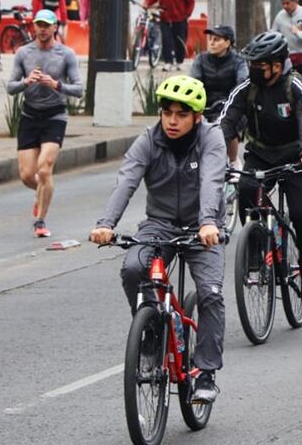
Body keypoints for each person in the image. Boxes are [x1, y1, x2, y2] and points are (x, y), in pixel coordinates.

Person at [89, 76, 226, 404]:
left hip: (201, 228)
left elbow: (212, 180)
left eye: (181, 114)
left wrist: (208, 222)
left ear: (197, 116)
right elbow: (127, 180)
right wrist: (106, 224)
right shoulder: (148, 140)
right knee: (134, 267)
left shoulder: (211, 139)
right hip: (159, 224)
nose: (172, 121)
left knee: (210, 293)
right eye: (167, 113)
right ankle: (150, 335)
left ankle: (205, 372)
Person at [217, 32, 302, 302]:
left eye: (260, 65)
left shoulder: (295, 86)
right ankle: (254, 247)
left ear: (277, 65)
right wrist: (212, 154)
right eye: (252, 64)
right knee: (247, 191)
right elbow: (225, 122)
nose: (254, 69)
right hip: (261, 154)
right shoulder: (246, 88)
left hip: (296, 157)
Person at [5, 9, 84, 238]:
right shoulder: (23, 53)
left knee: (44, 168)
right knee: (28, 175)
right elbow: (10, 87)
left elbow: (78, 89)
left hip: (54, 116)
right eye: (38, 25)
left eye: (46, 25)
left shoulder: (66, 54)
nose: (42, 29)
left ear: (55, 27)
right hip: (30, 116)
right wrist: (25, 82)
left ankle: (40, 221)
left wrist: (57, 85)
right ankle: (41, 192)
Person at [190, 24, 248, 119]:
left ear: (227, 43)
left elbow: (242, 84)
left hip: (229, 108)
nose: (211, 43)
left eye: (216, 39)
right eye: (210, 39)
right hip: (204, 108)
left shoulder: (239, 61)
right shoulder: (200, 59)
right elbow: (194, 83)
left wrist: (228, 102)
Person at [144, 0, 195, 70]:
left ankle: (179, 61)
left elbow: (190, 0)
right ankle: (168, 62)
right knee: (166, 40)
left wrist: (187, 14)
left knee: (179, 41)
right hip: (165, 18)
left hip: (180, 18)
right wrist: (147, 3)